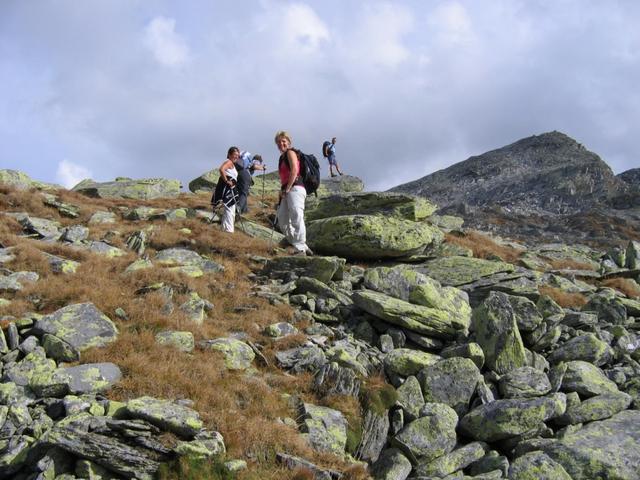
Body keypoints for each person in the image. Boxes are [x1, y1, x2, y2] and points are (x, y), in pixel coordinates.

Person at [275, 130, 312, 256]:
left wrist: (288, 188)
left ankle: (300, 246)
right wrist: (283, 191)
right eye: (279, 142)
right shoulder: (281, 158)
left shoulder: (290, 152)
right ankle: (299, 244)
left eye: (283, 141)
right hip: (287, 190)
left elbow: (295, 170)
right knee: (282, 219)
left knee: (296, 215)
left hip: (295, 188)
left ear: (289, 142)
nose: (281, 144)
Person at [212, 146, 240, 232]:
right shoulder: (229, 162)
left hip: (230, 188)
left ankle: (225, 230)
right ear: (229, 154)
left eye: (238, 155)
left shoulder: (231, 164)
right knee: (230, 210)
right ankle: (228, 231)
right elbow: (221, 169)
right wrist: (227, 180)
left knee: (229, 210)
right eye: (235, 155)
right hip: (228, 189)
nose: (236, 157)